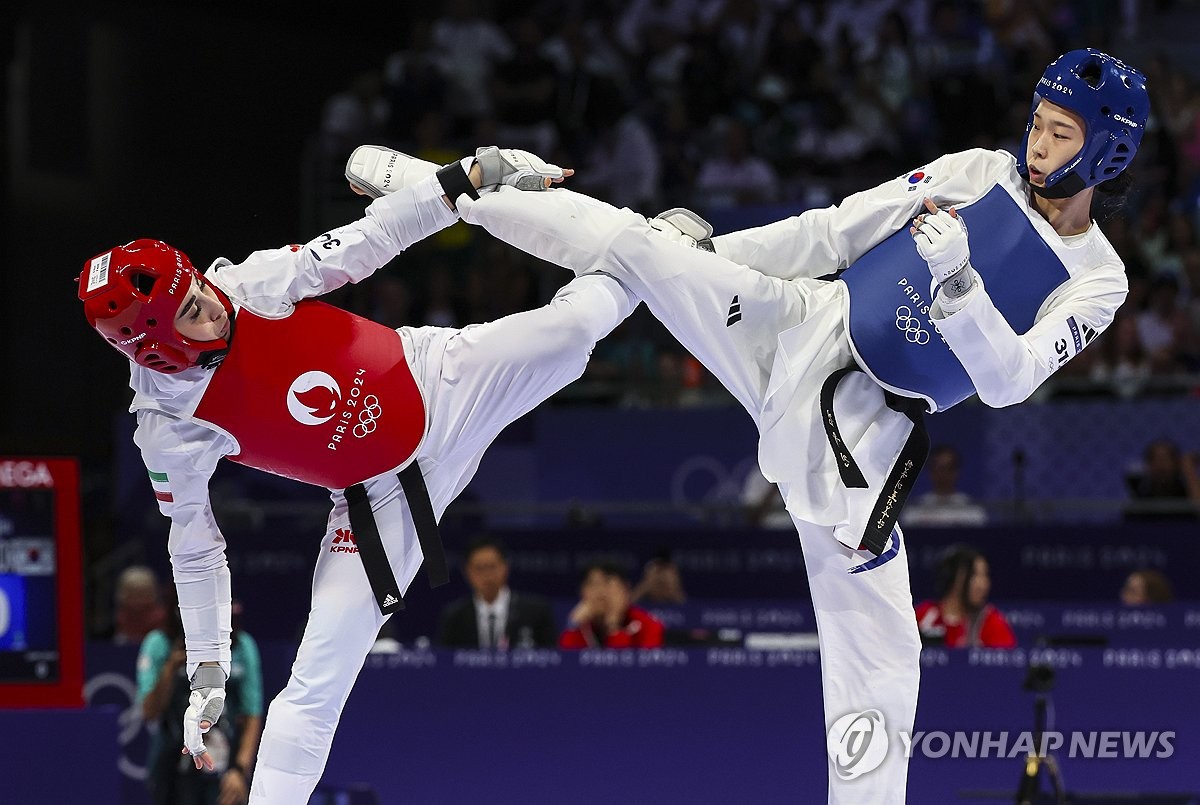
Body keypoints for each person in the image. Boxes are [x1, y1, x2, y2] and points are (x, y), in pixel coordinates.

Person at [434, 48, 1148, 802]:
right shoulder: (977, 172)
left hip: (866, 430)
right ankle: (447, 190)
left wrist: (963, 288)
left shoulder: (1099, 279)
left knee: (883, 655)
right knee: (644, 247)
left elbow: (1008, 383)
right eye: (1037, 122)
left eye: (1061, 132)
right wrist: (709, 257)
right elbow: (834, 233)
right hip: (804, 323)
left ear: (1108, 149)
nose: (1037, 144)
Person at [78, 146, 638, 804]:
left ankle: (650, 256)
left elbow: (367, 240)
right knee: (316, 679)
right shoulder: (168, 427)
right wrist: (208, 669)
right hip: (381, 503)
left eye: (199, 287)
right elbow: (194, 546)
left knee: (572, 336)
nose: (213, 304)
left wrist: (466, 175)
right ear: (155, 346)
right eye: (193, 313)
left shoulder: (249, 283)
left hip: (444, 381)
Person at [138, 589, 263, 805]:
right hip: (171, 764)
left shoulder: (241, 646)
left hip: (225, 764)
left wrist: (240, 770)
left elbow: (252, 714)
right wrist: (171, 668)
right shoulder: (159, 644)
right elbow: (149, 712)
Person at [436, 535, 556, 649]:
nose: (487, 575)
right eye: (479, 568)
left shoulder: (536, 612)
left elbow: (553, 660)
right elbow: (445, 663)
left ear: (505, 567)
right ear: (467, 572)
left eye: (492, 566)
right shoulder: (455, 617)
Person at [914, 544, 1016, 649]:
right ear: (956, 577)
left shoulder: (992, 623)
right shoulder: (923, 616)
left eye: (985, 575)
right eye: (975, 575)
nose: (984, 584)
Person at [559, 560, 666, 649]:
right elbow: (567, 667)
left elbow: (626, 671)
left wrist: (613, 627)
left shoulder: (649, 625)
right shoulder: (579, 626)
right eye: (592, 584)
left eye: (607, 583)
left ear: (626, 589)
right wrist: (574, 626)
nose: (600, 593)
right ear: (582, 591)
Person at [900, 445, 988, 528]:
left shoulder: (973, 513)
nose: (944, 473)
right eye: (939, 468)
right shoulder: (914, 512)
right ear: (930, 471)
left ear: (957, 471)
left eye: (949, 468)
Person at [113, 565, 166, 646]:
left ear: (153, 594)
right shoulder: (122, 616)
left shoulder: (160, 617)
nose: (137, 601)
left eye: (142, 595)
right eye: (132, 595)